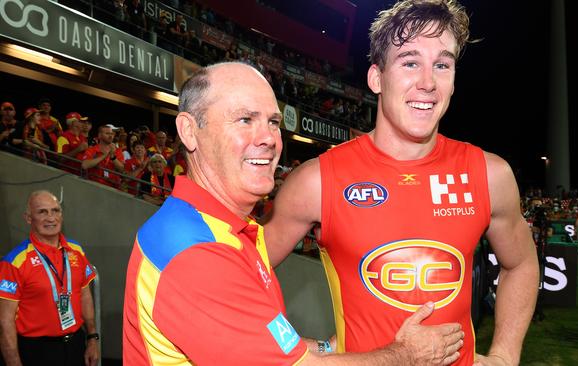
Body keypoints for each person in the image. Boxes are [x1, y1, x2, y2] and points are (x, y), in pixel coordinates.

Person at [122, 62, 464, 365]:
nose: (269, 138)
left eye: (272, 121)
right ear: (188, 131)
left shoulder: (222, 229)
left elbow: (265, 343)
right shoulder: (196, 253)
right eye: (245, 119)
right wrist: (407, 355)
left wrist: (331, 348)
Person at [262, 1, 540, 365]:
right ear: (376, 77)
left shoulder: (490, 175)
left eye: (442, 64)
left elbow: (521, 264)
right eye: (410, 62)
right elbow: (241, 273)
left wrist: (504, 356)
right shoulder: (317, 181)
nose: (427, 82)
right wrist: (293, 347)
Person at [0, 190, 99, 366]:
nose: (51, 217)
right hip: (37, 351)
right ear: (28, 218)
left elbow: (84, 296)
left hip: (76, 344)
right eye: (42, 212)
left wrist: (92, 338)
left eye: (55, 210)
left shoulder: (76, 250)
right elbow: (5, 320)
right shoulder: (14, 261)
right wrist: (13, 362)